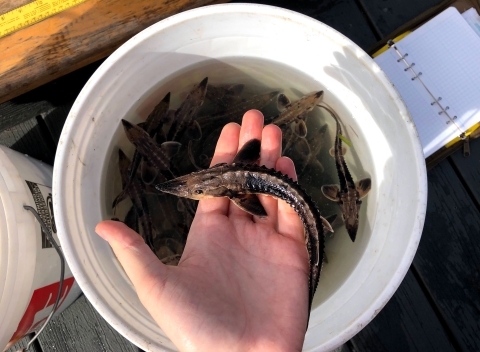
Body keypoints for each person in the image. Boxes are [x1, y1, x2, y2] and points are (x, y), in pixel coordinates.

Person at [96, 110, 309, 351]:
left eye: (197, 192)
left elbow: (252, 202)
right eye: (196, 186)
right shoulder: (236, 169)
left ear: (232, 194)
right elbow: (251, 154)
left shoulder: (238, 195)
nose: (194, 193)